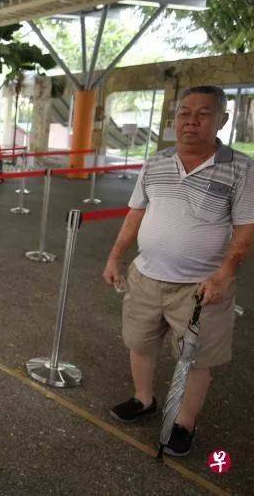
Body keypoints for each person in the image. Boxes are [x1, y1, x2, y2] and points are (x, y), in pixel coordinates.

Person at [103, 85, 254, 457]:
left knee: (196, 359)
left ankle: (184, 422)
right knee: (139, 342)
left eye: (203, 113)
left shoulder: (241, 168)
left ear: (222, 119)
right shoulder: (156, 162)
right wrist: (115, 257)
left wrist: (225, 274)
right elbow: (136, 212)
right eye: (184, 113)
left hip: (201, 286)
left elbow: (245, 227)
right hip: (146, 276)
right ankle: (143, 399)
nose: (191, 121)